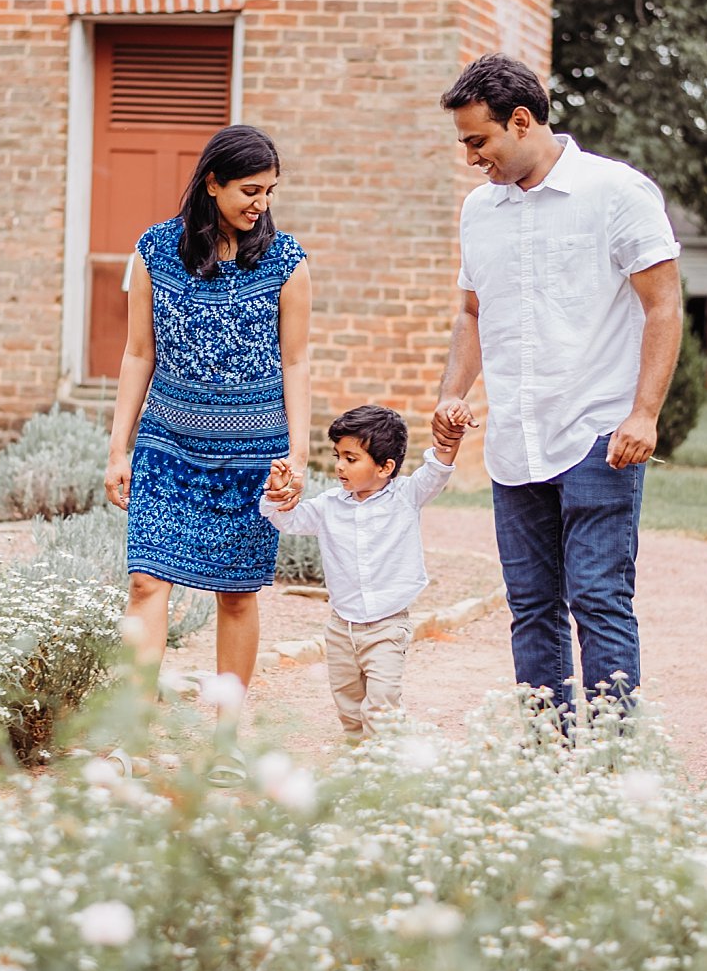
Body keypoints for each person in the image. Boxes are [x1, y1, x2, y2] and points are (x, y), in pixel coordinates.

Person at [430, 54, 682, 719]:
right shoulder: (478, 212)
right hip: (516, 440)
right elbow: (472, 312)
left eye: (477, 141)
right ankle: (545, 754)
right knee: (531, 605)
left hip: (599, 433)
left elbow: (663, 305)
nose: (469, 158)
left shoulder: (616, 193)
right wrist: (451, 395)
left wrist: (645, 413)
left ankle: (610, 763)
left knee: (599, 596)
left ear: (521, 120)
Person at [105, 125, 312, 718]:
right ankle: (132, 735)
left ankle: (226, 737)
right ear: (212, 182)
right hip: (167, 448)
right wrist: (117, 449)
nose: (261, 204)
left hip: (253, 457)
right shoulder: (154, 251)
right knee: (146, 584)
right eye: (250, 190)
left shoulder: (287, 262)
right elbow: (137, 353)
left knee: (238, 595)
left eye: (270, 191)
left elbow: (296, 362)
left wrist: (298, 456)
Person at [258, 405, 459, 739]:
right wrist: (277, 493)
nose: (339, 466)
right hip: (341, 629)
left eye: (351, 459)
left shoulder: (407, 496)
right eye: (338, 456)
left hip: (387, 626)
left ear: (385, 467)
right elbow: (288, 521)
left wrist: (452, 436)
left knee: (381, 706)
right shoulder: (328, 506)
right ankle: (358, 767)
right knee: (349, 708)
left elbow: (437, 469)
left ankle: (386, 768)